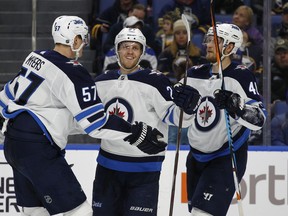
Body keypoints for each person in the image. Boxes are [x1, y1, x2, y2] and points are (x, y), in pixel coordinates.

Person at [0, 16, 167, 216]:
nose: (84, 44)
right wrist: (134, 132)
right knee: (80, 212)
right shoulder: (74, 71)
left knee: (35, 210)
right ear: (75, 40)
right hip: (38, 148)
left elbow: (5, 97)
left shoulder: (35, 57)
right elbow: (95, 123)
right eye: (82, 38)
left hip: (12, 143)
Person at [92, 27, 201, 216]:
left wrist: (189, 108)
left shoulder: (156, 81)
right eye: (125, 46)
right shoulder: (101, 81)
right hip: (107, 170)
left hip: (144, 172)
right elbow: (89, 120)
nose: (130, 52)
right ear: (117, 50)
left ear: (142, 52)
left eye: (135, 47)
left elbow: (175, 118)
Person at [182, 23, 266, 215]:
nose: (209, 45)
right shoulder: (193, 74)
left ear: (229, 47)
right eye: (208, 40)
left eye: (216, 41)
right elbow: (175, 115)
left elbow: (259, 119)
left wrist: (236, 107)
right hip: (195, 156)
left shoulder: (241, 76)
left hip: (226, 156)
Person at [157, 19, 204, 84]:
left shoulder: (199, 54)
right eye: (178, 33)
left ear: (189, 35)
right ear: (174, 36)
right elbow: (160, 73)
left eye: (184, 33)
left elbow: (204, 74)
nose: (181, 36)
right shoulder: (166, 54)